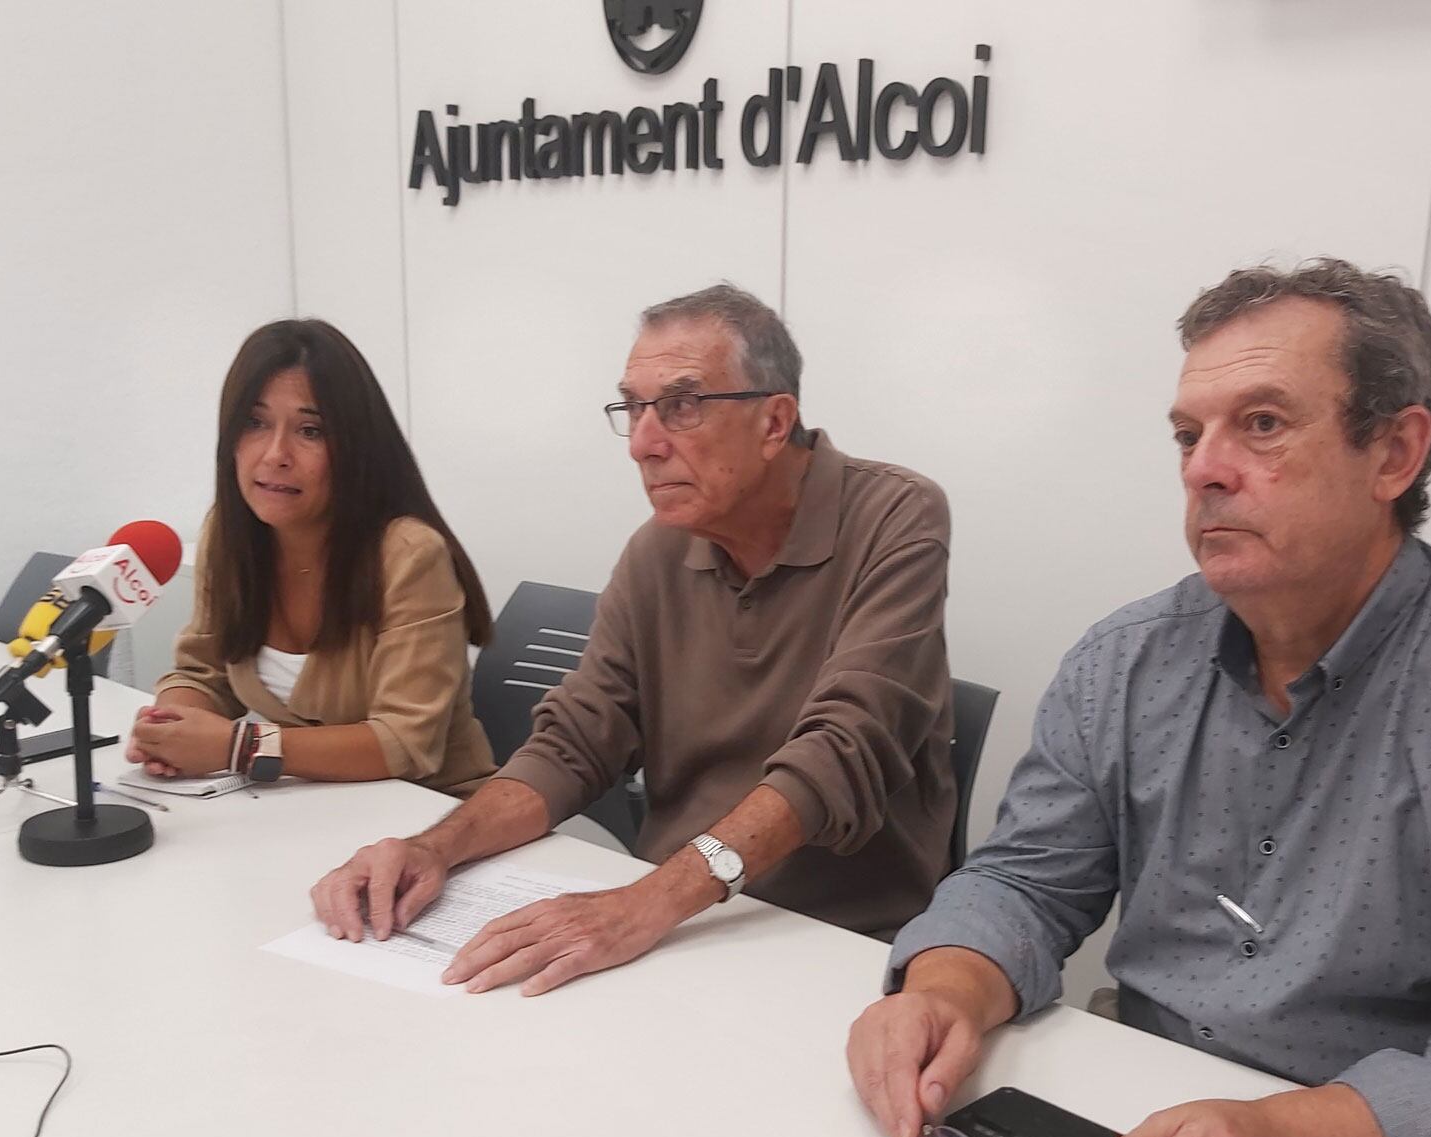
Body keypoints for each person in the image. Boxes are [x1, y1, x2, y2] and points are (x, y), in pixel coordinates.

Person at [847, 259, 1431, 1137]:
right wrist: (945, 986)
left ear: (1395, 450)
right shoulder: (1125, 656)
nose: (1204, 468)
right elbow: (1025, 883)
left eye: (1261, 423)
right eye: (1188, 433)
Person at [311, 283, 956, 991]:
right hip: (682, 924)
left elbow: (841, 751)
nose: (644, 445)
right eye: (635, 408)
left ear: (775, 422)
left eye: (682, 406)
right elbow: (577, 743)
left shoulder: (896, 515)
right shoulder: (658, 551)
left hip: (833, 943)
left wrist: (647, 902)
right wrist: (432, 848)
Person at [129, 318, 497, 797]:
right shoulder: (230, 532)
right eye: (255, 423)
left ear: (354, 447)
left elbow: (405, 744)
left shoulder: (409, 555)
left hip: (432, 813)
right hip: (309, 809)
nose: (276, 454)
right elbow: (204, 672)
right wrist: (170, 726)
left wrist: (239, 748)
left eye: (310, 430)